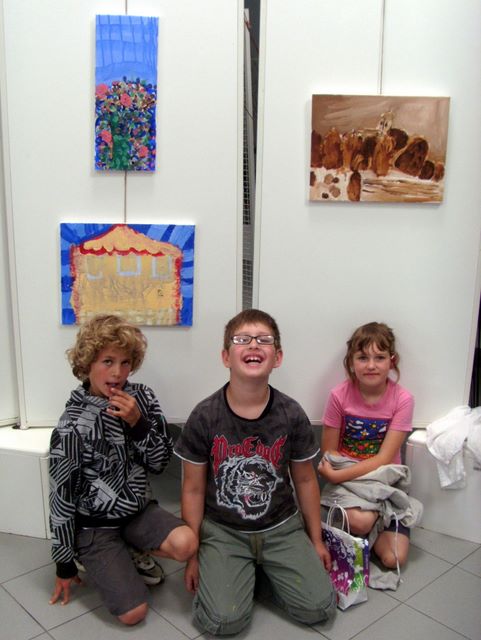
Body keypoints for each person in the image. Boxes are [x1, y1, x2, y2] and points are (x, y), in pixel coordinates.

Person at [174, 309, 336, 635]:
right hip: (223, 530)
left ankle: (262, 571)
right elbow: (192, 489)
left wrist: (316, 540)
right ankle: (240, 569)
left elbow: (305, 479)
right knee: (223, 621)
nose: (253, 345)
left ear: (277, 357)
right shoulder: (204, 416)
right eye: (242, 339)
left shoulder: (291, 413)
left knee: (319, 608)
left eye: (264, 340)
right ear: (226, 357)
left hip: (281, 526)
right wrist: (193, 554)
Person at [48, 314, 197, 625]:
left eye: (125, 362)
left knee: (186, 543)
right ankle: (91, 554)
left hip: (137, 512)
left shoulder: (143, 397)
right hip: (94, 527)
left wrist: (137, 424)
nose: (117, 373)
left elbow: (159, 463)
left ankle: (129, 549)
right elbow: (61, 498)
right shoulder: (71, 425)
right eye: (107, 361)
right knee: (132, 614)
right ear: (87, 363)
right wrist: (63, 564)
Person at [318, 321, 417, 571]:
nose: (371, 365)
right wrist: (338, 475)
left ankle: (376, 516)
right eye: (363, 357)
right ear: (351, 362)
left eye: (379, 357)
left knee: (393, 559)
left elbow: (384, 459)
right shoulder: (339, 395)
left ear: (392, 361)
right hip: (348, 479)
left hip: (381, 478)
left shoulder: (403, 399)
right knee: (360, 521)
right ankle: (361, 522)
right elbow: (330, 452)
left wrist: (336, 475)